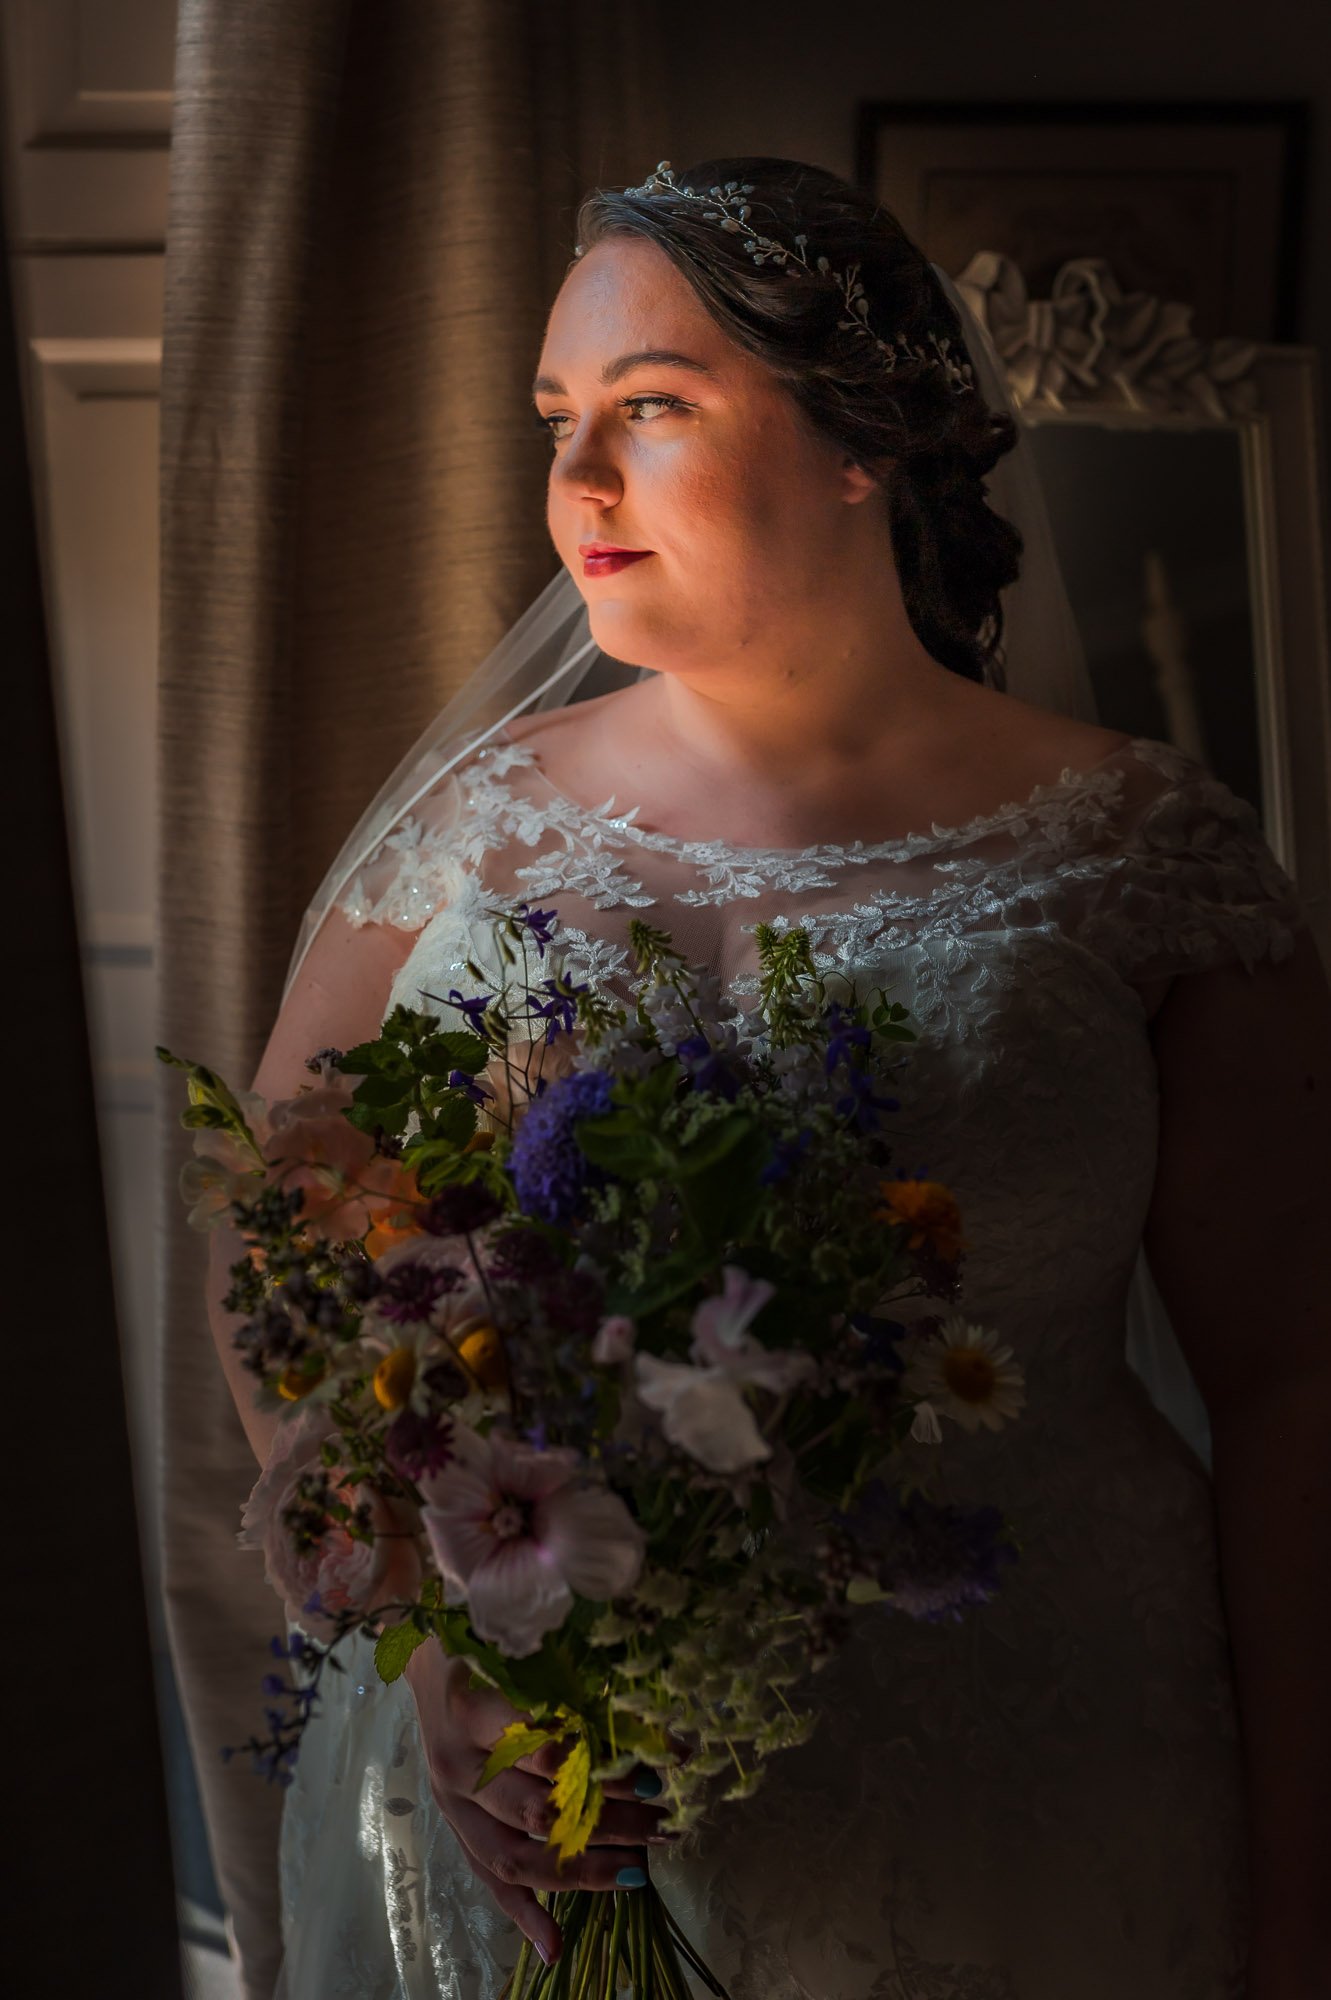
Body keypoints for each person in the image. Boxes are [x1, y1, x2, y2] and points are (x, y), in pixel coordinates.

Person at [207, 158, 1330, 1998]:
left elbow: (1296, 1392)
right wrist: (438, 1646)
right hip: (544, 1808)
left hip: (1036, 1781)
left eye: (650, 410)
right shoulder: (472, 830)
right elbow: (290, 1276)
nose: (574, 486)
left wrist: (1306, 1906)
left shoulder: (1147, 854)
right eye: (560, 420)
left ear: (859, 442)